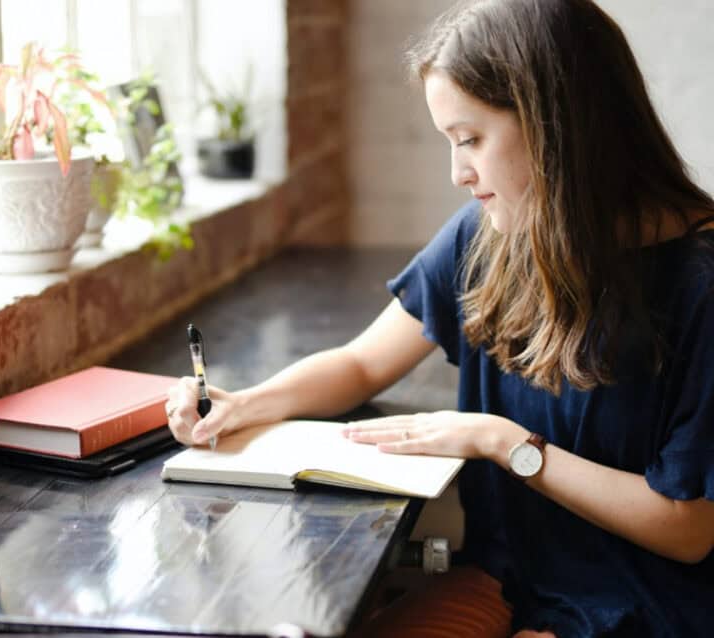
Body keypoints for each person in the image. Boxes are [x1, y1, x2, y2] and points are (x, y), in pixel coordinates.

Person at [166, 0, 714, 635]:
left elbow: (687, 529)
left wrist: (502, 442)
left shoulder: (699, 285)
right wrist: (248, 405)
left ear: (558, 124)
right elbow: (363, 361)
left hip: (650, 604)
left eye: (471, 140)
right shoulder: (489, 235)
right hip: (509, 577)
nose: (458, 174)